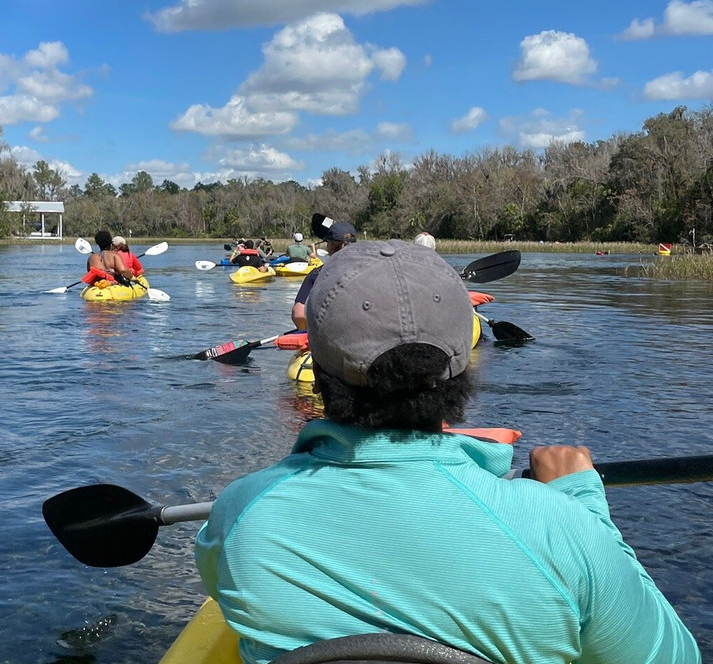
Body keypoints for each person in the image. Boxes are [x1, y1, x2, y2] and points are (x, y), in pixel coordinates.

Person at [197, 240, 699, 664]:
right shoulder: (561, 529)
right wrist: (583, 504)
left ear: (319, 370)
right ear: (462, 375)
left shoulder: (239, 517)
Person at [290, 213, 356, 329]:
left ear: (329, 247)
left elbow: (299, 314)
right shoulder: (372, 270)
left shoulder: (316, 274)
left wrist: (307, 333)